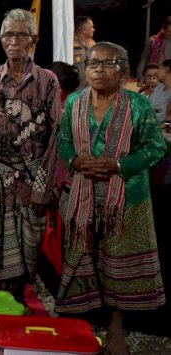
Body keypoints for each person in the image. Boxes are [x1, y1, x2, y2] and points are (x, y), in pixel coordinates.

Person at [56, 41, 166, 355]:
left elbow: (156, 148)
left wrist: (119, 165)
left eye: (108, 63)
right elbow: (64, 141)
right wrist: (76, 161)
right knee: (83, 254)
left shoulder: (138, 105)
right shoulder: (74, 102)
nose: (99, 70)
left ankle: (117, 325)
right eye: (92, 63)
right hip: (83, 193)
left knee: (118, 260)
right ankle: (85, 321)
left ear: (123, 70)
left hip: (126, 196)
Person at [0, 9, 61, 301]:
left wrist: (42, 190)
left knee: (25, 249)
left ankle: (16, 302)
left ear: (33, 39)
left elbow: (54, 137)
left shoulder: (47, 81)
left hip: (31, 180)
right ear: (1, 39)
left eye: (21, 34)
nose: (14, 40)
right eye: (8, 34)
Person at [73, 15, 96, 87]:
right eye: (91, 27)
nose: (93, 29)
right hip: (75, 93)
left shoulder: (92, 44)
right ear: (84, 30)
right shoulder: (69, 47)